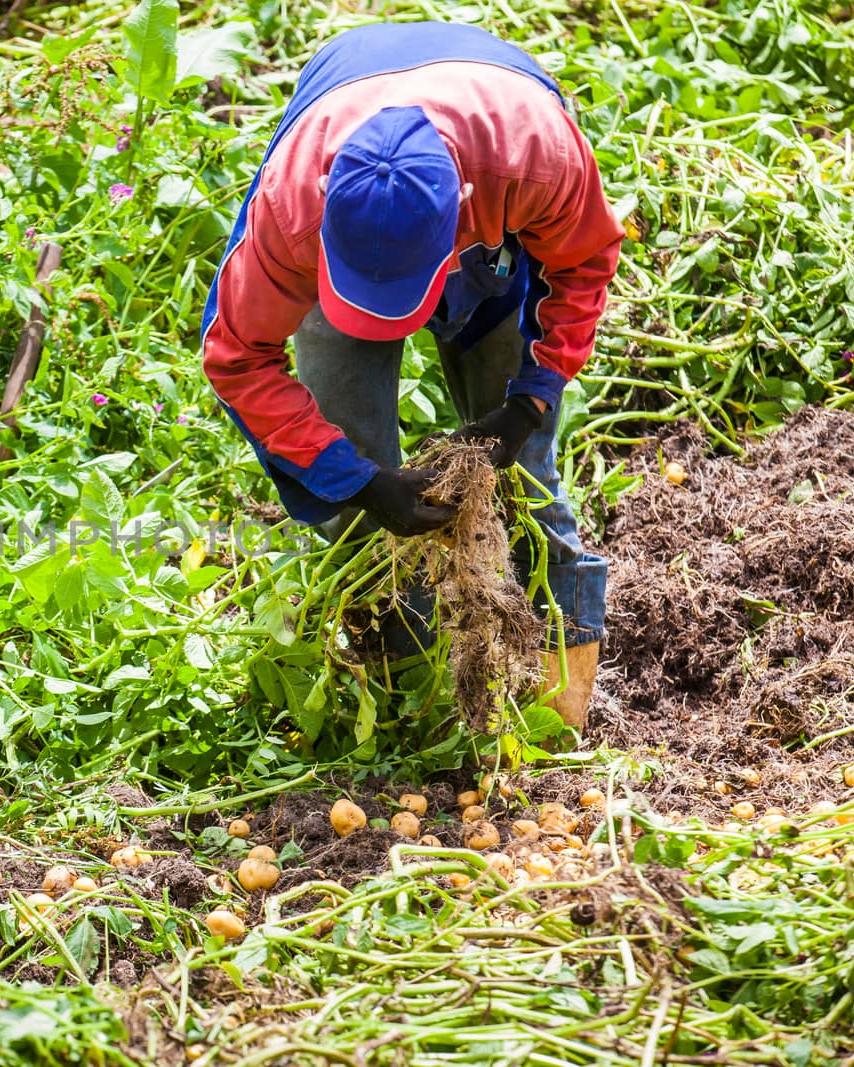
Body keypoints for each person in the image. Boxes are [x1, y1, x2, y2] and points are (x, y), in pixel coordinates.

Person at [200, 21, 624, 728]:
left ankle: (559, 715)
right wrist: (358, 479)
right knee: (355, 501)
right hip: (345, 204)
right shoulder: (291, 210)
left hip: (485, 229)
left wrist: (530, 402)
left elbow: (582, 266)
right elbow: (237, 356)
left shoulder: (534, 157)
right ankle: (409, 713)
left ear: (460, 208)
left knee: (528, 480)